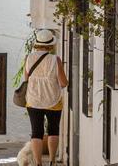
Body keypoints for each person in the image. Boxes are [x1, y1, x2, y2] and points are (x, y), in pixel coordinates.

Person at [24, 29, 68, 166]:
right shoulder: (56, 60)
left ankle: (38, 163)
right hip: (53, 100)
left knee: (36, 132)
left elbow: (27, 79)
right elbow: (63, 83)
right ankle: (52, 161)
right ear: (51, 45)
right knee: (53, 130)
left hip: (33, 100)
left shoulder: (28, 58)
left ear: (37, 43)